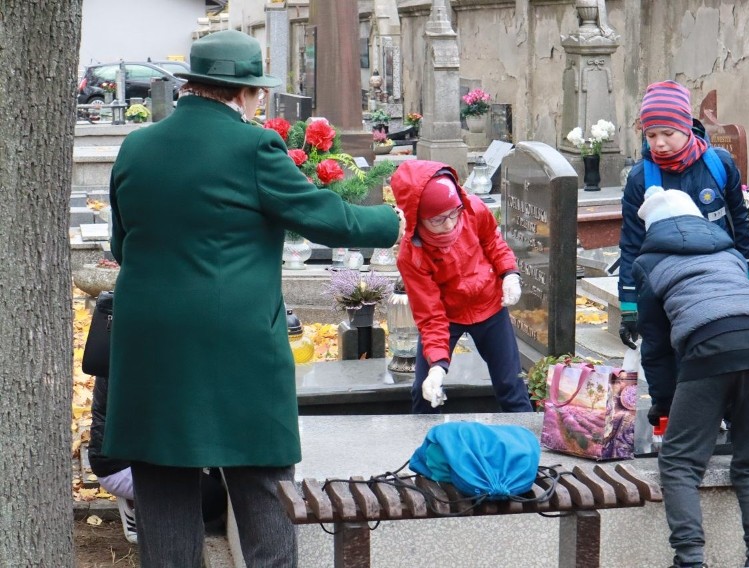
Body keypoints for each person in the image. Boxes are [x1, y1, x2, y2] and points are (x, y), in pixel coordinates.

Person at [103, 30, 404, 567]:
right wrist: (392, 222)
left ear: (194, 85)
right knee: (262, 487)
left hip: (148, 346)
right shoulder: (254, 146)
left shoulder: (136, 146)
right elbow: (323, 217)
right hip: (234, 347)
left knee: (163, 492)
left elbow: (123, 246)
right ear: (241, 92)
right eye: (258, 91)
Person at [632, 187, 749, 568]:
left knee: (680, 462)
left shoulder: (648, 265)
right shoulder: (730, 252)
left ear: (651, 227)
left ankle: (690, 558)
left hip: (709, 344)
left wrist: (664, 406)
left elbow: (657, 347)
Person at [618, 80, 749, 350]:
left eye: (668, 133)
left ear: (685, 127)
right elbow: (632, 242)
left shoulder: (719, 165)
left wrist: (747, 274)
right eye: (651, 135)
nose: (659, 144)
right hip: (665, 286)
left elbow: (739, 222)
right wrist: (629, 305)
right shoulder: (641, 177)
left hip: (717, 281)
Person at [390, 160, 533, 414]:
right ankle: (426, 447)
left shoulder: (472, 209)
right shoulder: (412, 255)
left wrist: (509, 273)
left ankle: (525, 446)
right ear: (417, 218)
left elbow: (493, 242)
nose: (449, 224)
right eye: (437, 219)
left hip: (489, 305)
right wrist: (436, 367)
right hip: (446, 315)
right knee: (424, 392)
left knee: (511, 384)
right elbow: (430, 315)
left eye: (453, 213)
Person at [87, 374, 227, 544]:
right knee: (210, 499)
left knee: (211, 482)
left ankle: (140, 498)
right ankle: (138, 509)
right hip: (121, 464)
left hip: (131, 456)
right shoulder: (138, 365)